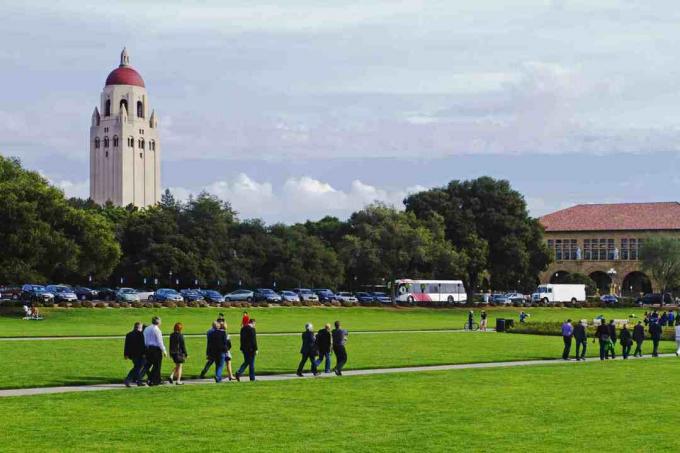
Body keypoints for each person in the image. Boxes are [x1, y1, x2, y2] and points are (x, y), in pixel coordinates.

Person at [143, 316, 167, 386]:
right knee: (157, 366)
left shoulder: (147, 329)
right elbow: (160, 342)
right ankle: (154, 380)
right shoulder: (157, 330)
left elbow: (144, 339)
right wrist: (164, 351)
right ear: (158, 322)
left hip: (148, 348)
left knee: (149, 365)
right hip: (156, 350)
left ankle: (156, 379)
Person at [123, 322, 147, 387]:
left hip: (132, 355)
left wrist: (126, 354)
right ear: (139, 328)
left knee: (137, 367)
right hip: (140, 355)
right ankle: (128, 380)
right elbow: (143, 345)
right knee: (137, 367)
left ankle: (138, 381)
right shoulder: (141, 334)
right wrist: (144, 353)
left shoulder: (129, 334)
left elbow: (126, 346)